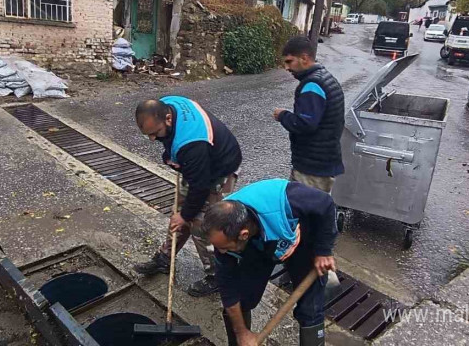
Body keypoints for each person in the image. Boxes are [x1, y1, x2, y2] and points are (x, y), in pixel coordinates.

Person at [203, 179, 338, 346]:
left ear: (243, 234)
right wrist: (242, 333)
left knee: (310, 308)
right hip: (261, 245)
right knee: (242, 297)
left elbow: (326, 204)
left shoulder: (289, 199)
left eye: (224, 248)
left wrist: (323, 250)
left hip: (301, 238)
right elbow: (228, 290)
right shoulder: (222, 233)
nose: (221, 252)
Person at [133, 96, 242, 297]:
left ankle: (216, 275)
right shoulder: (169, 103)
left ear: (168, 118)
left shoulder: (191, 144)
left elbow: (200, 187)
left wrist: (186, 215)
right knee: (180, 213)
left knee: (203, 224)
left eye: (155, 133)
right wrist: (169, 157)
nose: (152, 139)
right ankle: (166, 257)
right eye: (148, 135)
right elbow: (172, 144)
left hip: (219, 167)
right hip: (198, 164)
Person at [272, 36, 345, 193]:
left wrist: (283, 115)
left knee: (304, 211)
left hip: (312, 168)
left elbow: (305, 124)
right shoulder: (325, 77)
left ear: (304, 58)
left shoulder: (312, 85)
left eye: (289, 61)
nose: (286, 67)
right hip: (323, 162)